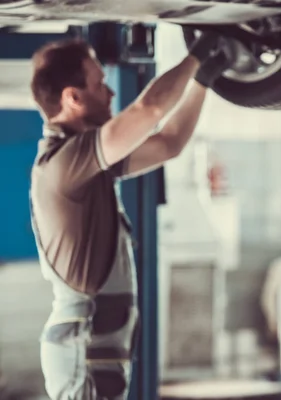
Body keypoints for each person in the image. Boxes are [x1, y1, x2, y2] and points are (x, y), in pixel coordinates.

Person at [28, 28, 234, 399]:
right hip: (82, 353)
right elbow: (149, 110)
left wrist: (202, 81)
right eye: (99, 84)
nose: (110, 94)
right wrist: (197, 55)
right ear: (73, 98)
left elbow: (169, 143)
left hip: (92, 351)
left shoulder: (86, 162)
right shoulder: (65, 163)